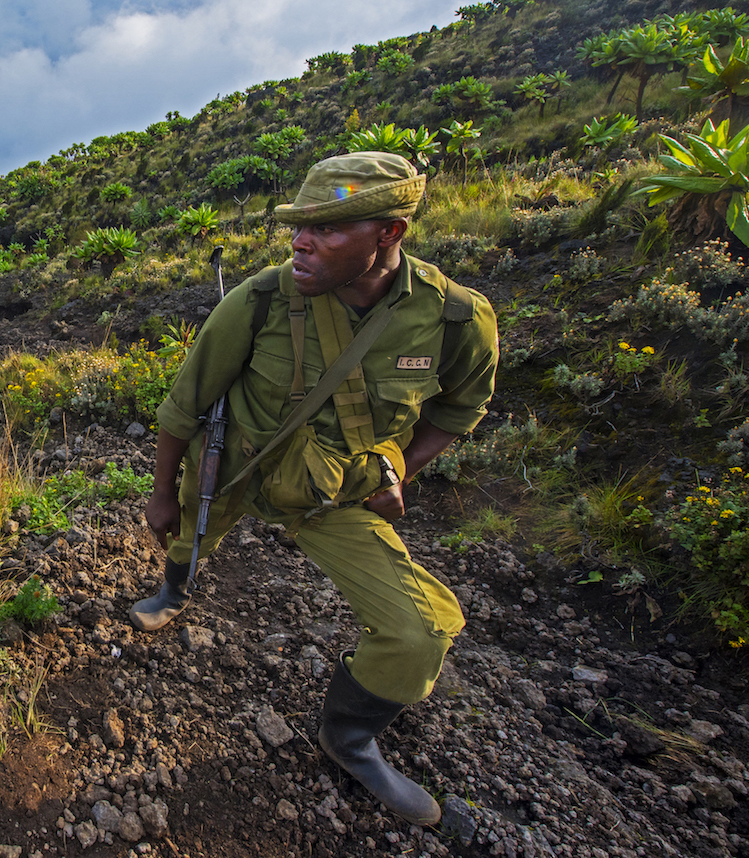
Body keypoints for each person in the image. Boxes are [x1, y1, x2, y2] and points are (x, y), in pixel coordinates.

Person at [132, 151, 498, 826]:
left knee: (420, 632)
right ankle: (173, 589)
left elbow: (456, 412)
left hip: (334, 495)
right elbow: (183, 407)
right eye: (300, 226)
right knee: (190, 532)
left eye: (328, 229)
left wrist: (399, 470)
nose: (301, 241)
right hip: (235, 470)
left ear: (388, 234)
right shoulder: (263, 299)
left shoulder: (453, 319)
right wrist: (162, 492)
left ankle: (349, 739)